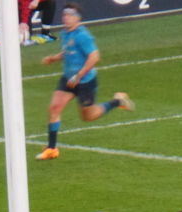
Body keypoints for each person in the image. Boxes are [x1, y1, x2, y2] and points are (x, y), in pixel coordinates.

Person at [35, 3, 133, 161]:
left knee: (88, 116)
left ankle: (117, 101)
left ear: (77, 18)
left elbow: (94, 57)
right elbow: (68, 51)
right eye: (64, 15)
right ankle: (52, 149)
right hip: (68, 79)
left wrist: (79, 76)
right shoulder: (65, 33)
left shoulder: (83, 36)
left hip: (84, 82)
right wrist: (53, 58)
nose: (66, 18)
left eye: (70, 15)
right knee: (54, 108)